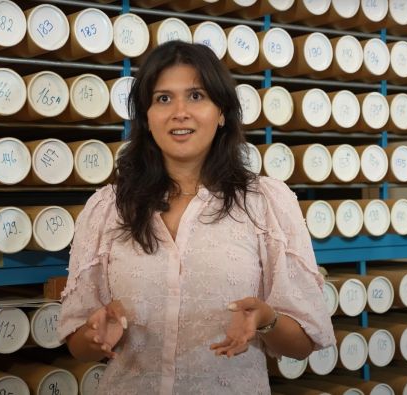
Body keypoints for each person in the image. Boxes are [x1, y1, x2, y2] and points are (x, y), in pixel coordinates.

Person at [57, 41, 335, 394]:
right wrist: (96, 334)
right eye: (163, 99)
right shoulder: (108, 207)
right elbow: (77, 346)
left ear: (221, 112)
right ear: (145, 116)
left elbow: (303, 344)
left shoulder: (265, 204)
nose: (179, 112)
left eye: (196, 96)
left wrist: (266, 319)